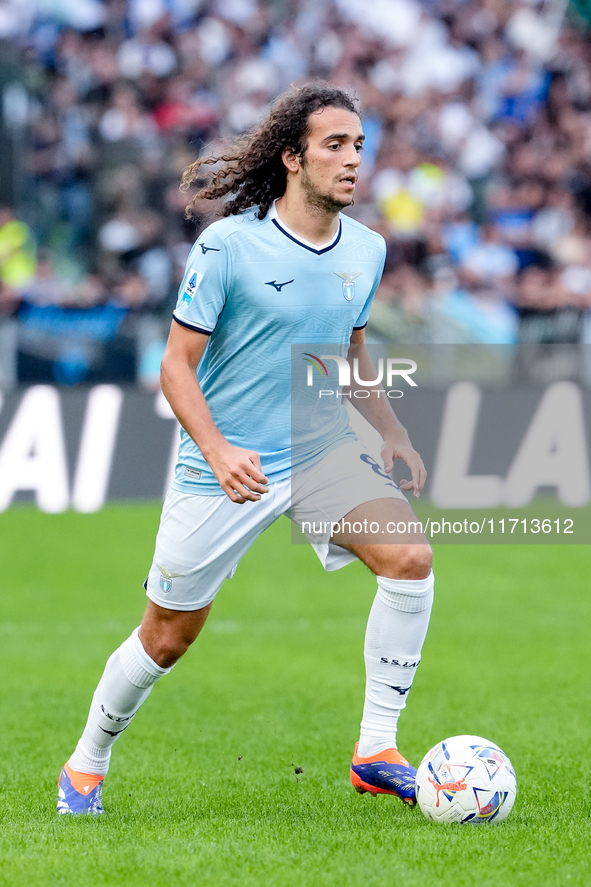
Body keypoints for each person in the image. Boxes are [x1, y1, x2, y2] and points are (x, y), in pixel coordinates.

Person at [57, 82, 433, 815]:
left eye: (358, 145)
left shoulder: (367, 248)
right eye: (335, 145)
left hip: (319, 454)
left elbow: (350, 355)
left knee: (410, 559)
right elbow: (175, 365)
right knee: (165, 638)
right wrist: (221, 449)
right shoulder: (229, 243)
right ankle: (86, 761)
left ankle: (376, 748)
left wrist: (390, 431)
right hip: (222, 468)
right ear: (292, 158)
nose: (353, 159)